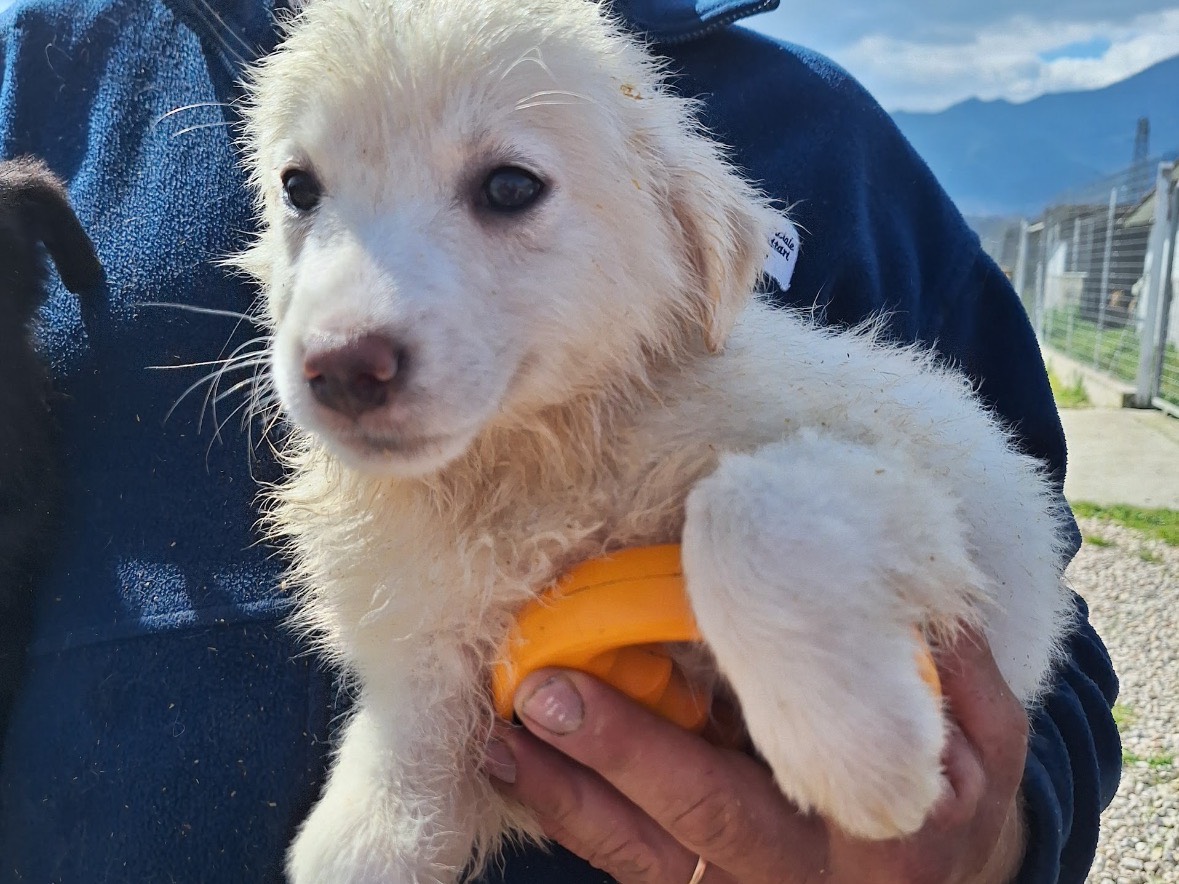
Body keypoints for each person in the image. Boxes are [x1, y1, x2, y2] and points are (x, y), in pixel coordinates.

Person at [0, 0, 1120, 881]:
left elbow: (1042, 633)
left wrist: (987, 848)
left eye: (505, 188)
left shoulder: (819, 148)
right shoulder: (37, 79)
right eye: (302, 188)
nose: (344, 332)